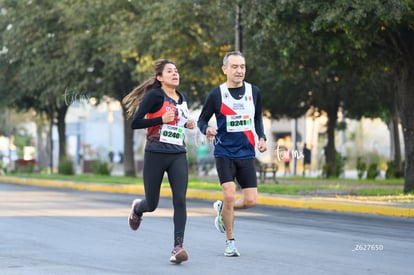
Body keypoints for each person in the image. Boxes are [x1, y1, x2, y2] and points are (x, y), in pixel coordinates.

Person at [122, 59, 195, 264]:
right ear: (160, 77)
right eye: (170, 71)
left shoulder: (183, 98)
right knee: (152, 204)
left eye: (177, 70)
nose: (175, 73)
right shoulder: (154, 96)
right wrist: (160, 120)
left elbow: (177, 123)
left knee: (180, 199)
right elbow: (136, 123)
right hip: (155, 153)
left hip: (178, 154)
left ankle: (177, 247)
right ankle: (138, 208)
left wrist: (187, 124)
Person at [197, 51, 267, 257]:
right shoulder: (216, 94)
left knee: (250, 201)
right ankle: (230, 242)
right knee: (229, 195)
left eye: (242, 67)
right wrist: (206, 129)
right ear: (225, 69)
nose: (239, 71)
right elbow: (202, 120)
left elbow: (257, 118)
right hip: (224, 152)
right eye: (235, 66)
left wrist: (261, 137)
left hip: (246, 153)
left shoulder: (254, 92)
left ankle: (222, 210)